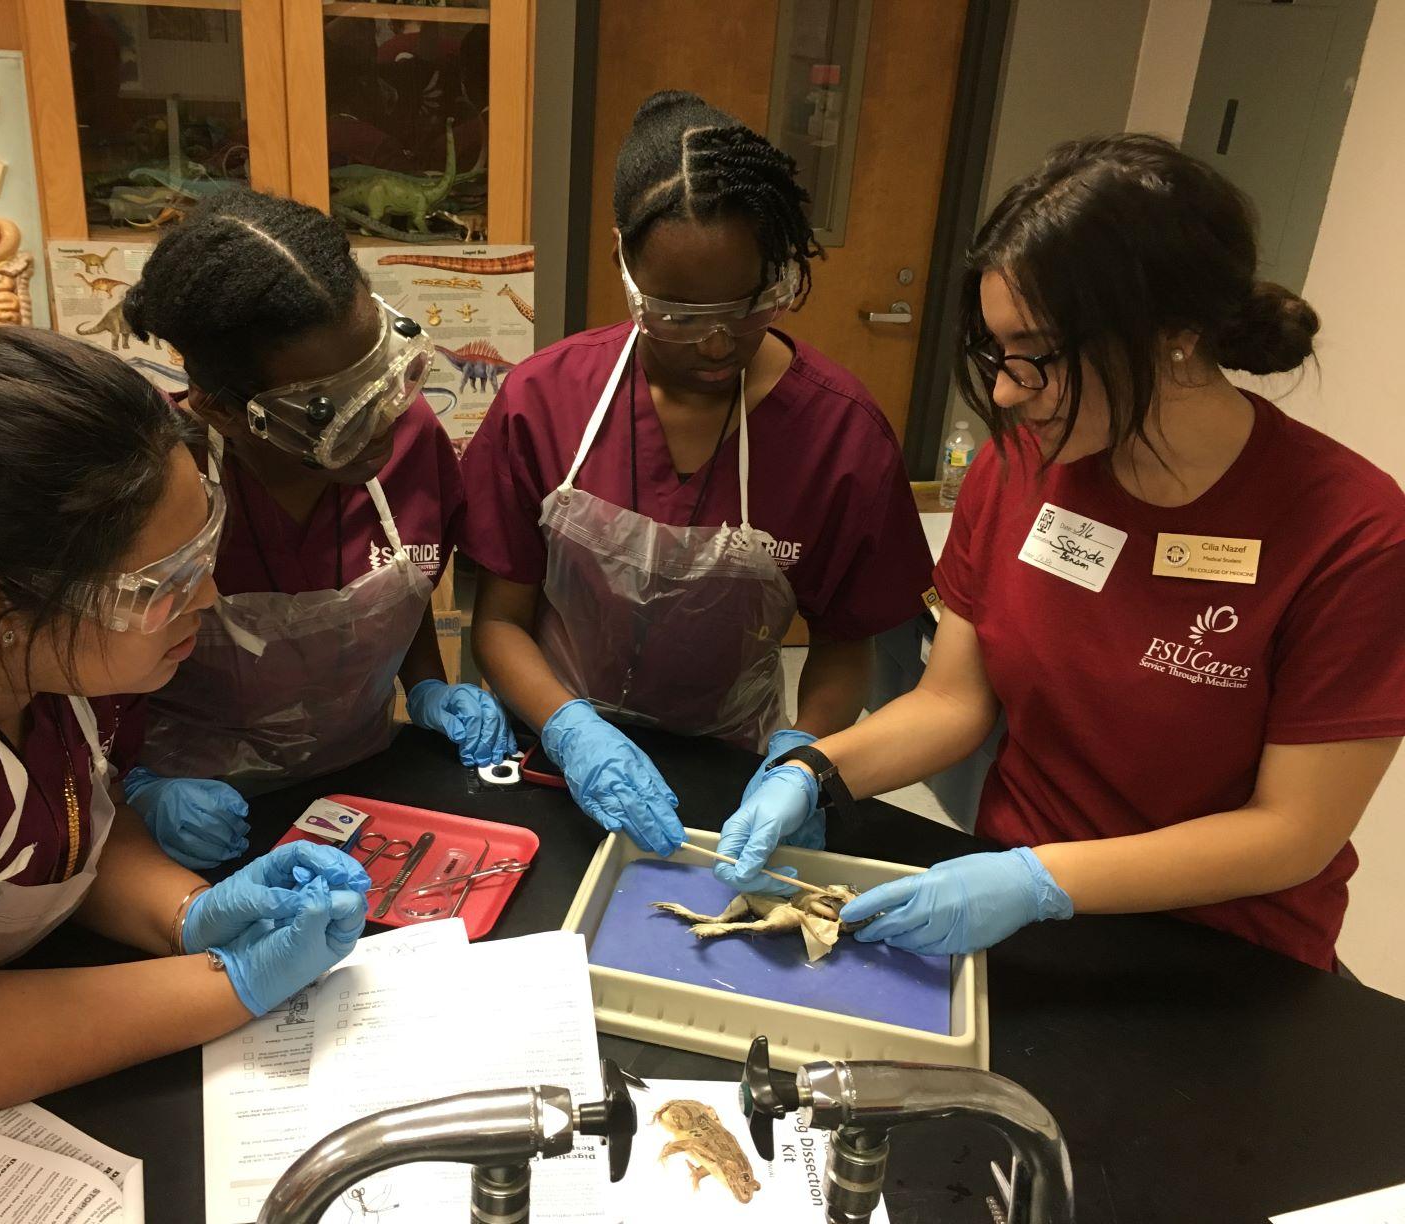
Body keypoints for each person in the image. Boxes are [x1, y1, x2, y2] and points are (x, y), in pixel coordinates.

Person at [715, 135, 1405, 971]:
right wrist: (817, 769)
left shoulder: (1354, 534)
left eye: (1035, 355)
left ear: (1173, 333)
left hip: (1223, 958)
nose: (1004, 391)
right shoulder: (1019, 468)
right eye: (996, 353)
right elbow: (954, 702)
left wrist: (1042, 878)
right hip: (1022, 924)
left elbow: (1291, 832)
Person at [0, 329, 373, 1120]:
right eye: (167, 581)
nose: (210, 598)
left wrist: (184, 912)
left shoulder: (57, 639)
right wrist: (230, 983)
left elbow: (70, 804)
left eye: (204, 547)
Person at [461, 91, 932, 856]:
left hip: (733, 769)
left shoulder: (839, 434)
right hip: (553, 753)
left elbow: (847, 644)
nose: (718, 344)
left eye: (750, 305)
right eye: (678, 315)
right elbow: (500, 620)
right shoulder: (544, 400)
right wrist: (570, 730)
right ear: (621, 259)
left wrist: (804, 758)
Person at [119, 190, 513, 868]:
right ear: (225, 410)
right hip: (200, 823)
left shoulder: (412, 438)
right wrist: (136, 785)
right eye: (334, 411)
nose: (381, 419)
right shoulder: (154, 479)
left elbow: (400, 575)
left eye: (381, 377)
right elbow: (79, 666)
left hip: (360, 789)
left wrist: (426, 684)